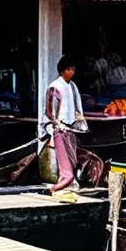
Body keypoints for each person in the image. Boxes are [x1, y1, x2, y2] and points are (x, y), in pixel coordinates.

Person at [43, 56, 84, 194]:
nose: (72, 72)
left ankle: (69, 184)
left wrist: (80, 123)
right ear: (62, 71)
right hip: (60, 128)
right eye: (68, 69)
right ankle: (59, 186)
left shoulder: (72, 86)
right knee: (65, 161)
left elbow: (77, 107)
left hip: (71, 127)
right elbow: (49, 110)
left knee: (72, 158)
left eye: (73, 69)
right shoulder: (55, 86)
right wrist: (55, 124)